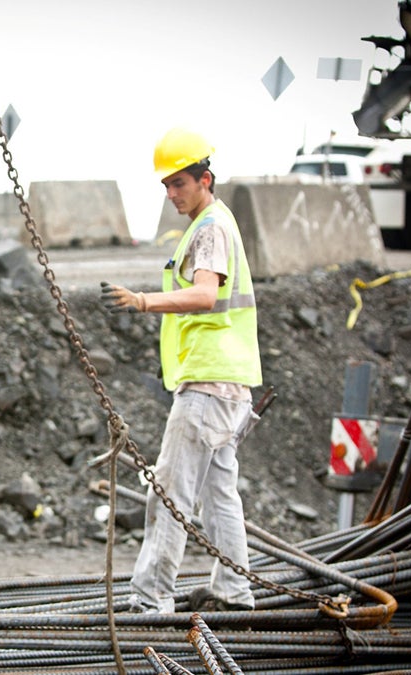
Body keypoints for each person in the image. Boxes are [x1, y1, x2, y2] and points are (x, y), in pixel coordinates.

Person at [101, 126, 261, 614]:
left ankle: (151, 597)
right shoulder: (218, 222)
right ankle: (235, 590)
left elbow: (206, 294)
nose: (172, 194)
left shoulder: (210, 227)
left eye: (180, 184)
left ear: (204, 179)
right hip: (231, 386)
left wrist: (143, 300)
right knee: (218, 496)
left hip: (208, 387)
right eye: (166, 186)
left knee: (169, 493)